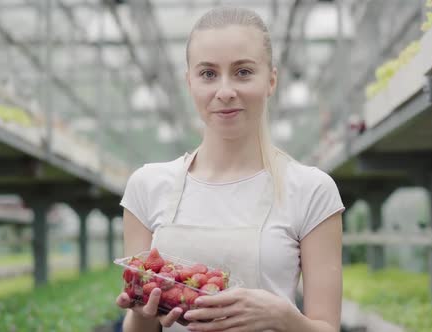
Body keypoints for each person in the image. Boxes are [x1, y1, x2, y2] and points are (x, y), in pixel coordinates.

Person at [116, 6, 344, 332]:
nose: (225, 91)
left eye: (243, 72)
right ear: (190, 82)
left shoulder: (312, 190)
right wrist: (141, 312)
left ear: (271, 80)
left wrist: (283, 317)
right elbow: (139, 325)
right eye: (208, 74)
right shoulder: (147, 186)